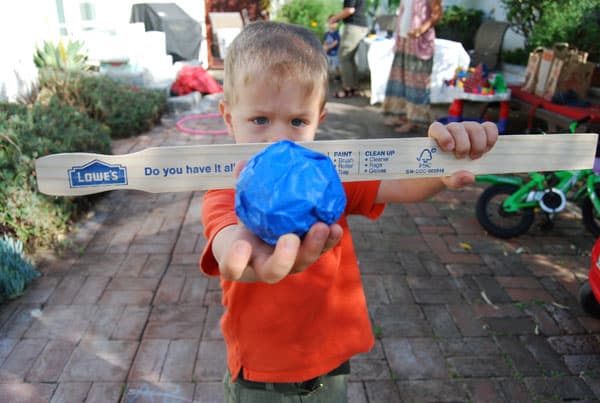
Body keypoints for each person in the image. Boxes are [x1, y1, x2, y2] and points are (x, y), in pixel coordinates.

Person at [200, 20, 498, 402]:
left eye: (296, 121)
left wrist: (443, 165)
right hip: (260, 375)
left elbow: (401, 183)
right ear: (229, 118)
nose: (277, 138)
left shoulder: (329, 174)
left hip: (329, 365)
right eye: (260, 120)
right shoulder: (226, 189)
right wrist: (244, 256)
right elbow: (227, 241)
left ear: (319, 120)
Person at [382, 0, 443, 133]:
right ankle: (402, 116)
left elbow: (437, 14)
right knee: (401, 80)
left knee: (416, 83)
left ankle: (413, 121)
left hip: (419, 41)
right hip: (404, 40)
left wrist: (420, 30)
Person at [329, 0, 369, 98]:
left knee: (344, 57)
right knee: (349, 58)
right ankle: (353, 88)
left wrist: (334, 18)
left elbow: (349, 10)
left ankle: (348, 88)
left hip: (353, 26)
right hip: (361, 25)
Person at [323, 15, 341, 80]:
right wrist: (325, 47)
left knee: (336, 65)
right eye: (330, 22)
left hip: (335, 53)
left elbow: (336, 42)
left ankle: (338, 76)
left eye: (334, 23)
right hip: (328, 53)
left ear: (337, 24)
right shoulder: (327, 33)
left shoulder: (336, 33)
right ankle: (327, 77)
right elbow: (325, 41)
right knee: (327, 65)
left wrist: (328, 47)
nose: (332, 24)